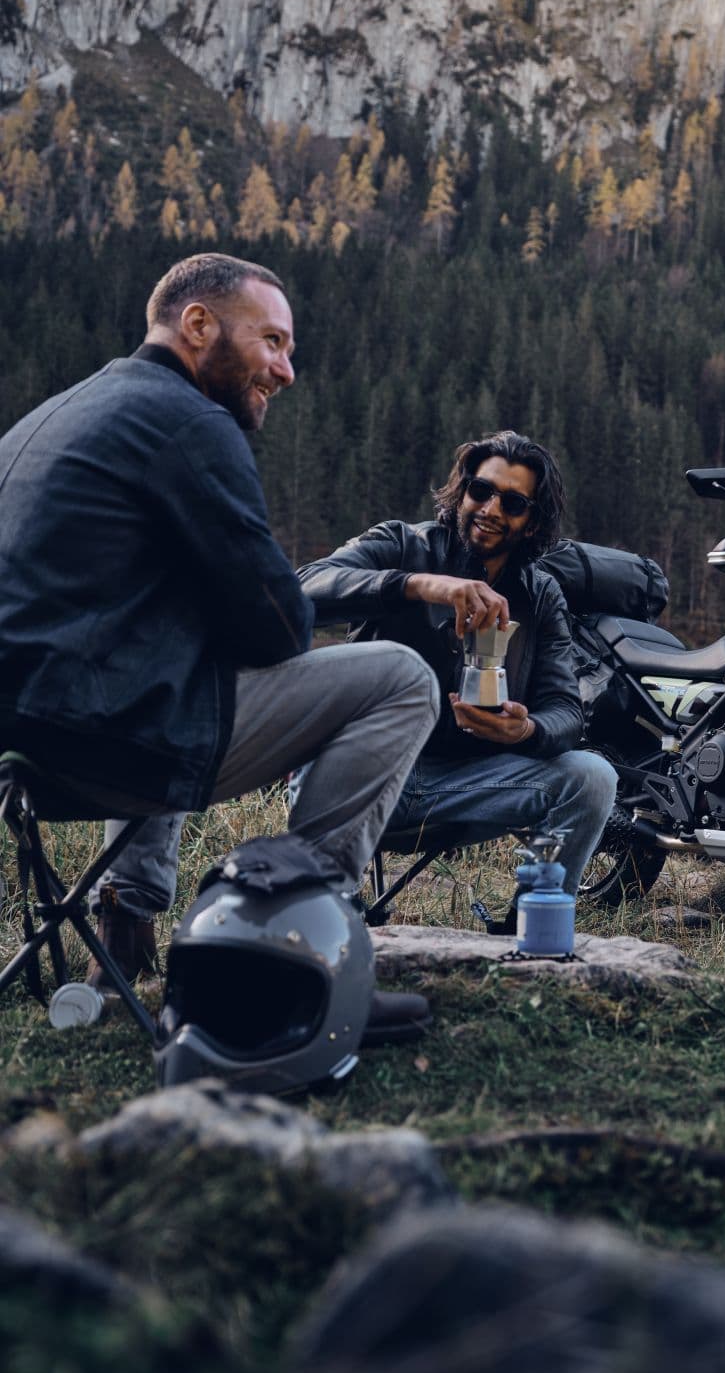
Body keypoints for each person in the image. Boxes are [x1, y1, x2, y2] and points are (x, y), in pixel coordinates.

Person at [0, 253, 437, 1040]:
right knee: (400, 679)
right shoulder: (189, 423)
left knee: (184, 668)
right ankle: (293, 947)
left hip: (23, 748)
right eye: (273, 341)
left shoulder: (57, 414)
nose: (288, 370)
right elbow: (278, 628)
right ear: (197, 325)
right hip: (104, 744)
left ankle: (126, 927)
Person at [295, 431, 616, 899]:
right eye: (481, 491)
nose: (490, 510)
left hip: (468, 786)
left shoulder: (540, 594)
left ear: (531, 522)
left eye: (512, 503)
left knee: (592, 776)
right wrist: (421, 586)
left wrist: (525, 732)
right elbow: (304, 588)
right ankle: (323, 908)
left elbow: (566, 710)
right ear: (463, 492)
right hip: (366, 774)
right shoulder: (403, 544)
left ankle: (536, 931)